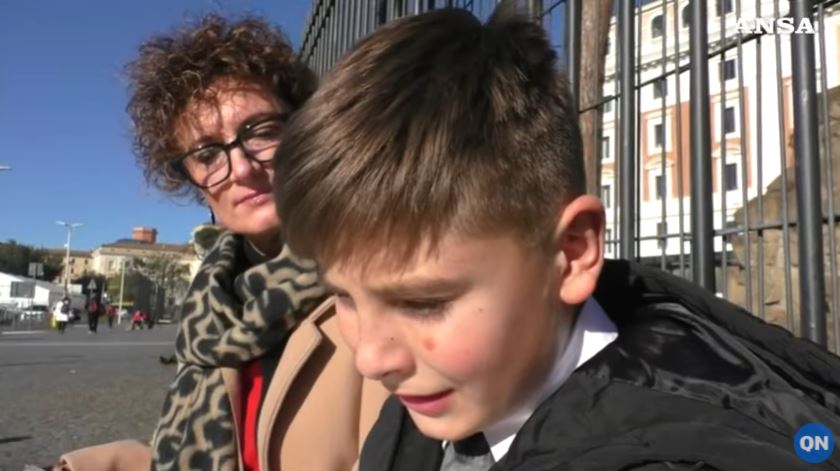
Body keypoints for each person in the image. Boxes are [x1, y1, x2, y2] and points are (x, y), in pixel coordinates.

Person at [272, 3, 840, 470]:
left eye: (424, 303)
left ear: (572, 254)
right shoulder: (452, 390)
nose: (371, 357)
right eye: (344, 295)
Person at [55, 14, 387, 471]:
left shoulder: (379, 288)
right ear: (193, 181)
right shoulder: (212, 309)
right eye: (208, 153)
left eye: (263, 131)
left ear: (304, 131)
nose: (242, 168)